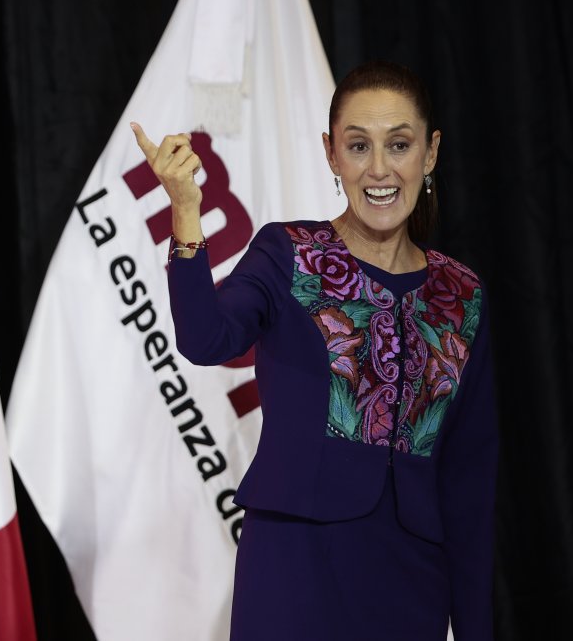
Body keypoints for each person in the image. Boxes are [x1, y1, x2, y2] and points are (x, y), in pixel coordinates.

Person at [131, 60, 498, 641]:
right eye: (358, 146)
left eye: (398, 145)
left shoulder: (462, 293)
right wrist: (185, 211)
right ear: (331, 154)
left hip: (411, 583)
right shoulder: (286, 253)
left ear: (429, 154)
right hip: (293, 569)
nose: (379, 168)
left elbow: (471, 484)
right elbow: (206, 339)